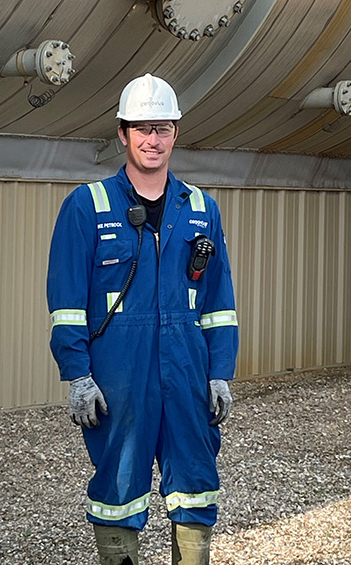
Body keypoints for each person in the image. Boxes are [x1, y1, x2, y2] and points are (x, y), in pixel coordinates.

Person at [46, 73, 238, 565]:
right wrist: (78, 376)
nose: (153, 140)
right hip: (119, 373)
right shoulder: (87, 206)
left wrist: (219, 374)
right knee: (118, 481)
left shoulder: (201, 208)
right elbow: (66, 302)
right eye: (142, 128)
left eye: (163, 128)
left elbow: (218, 301)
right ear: (122, 133)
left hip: (187, 368)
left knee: (195, 478)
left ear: (176, 132)